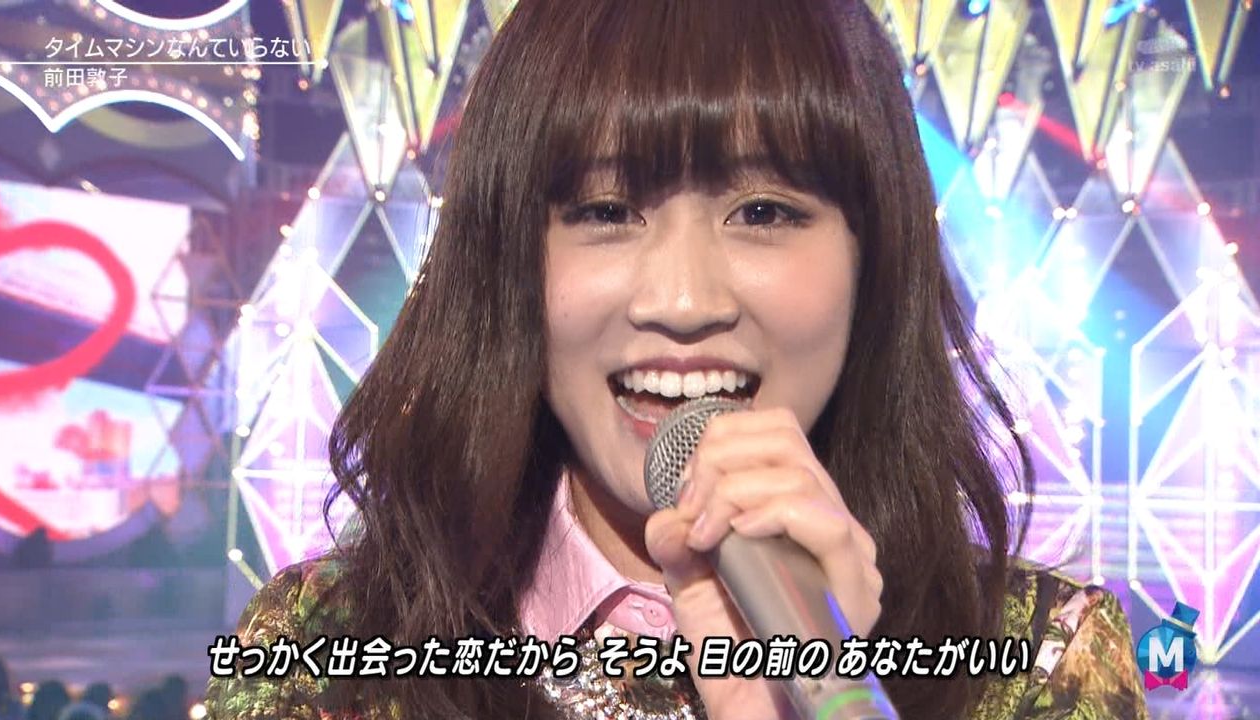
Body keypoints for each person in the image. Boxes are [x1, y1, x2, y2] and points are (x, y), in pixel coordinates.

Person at [205, 0, 1148, 718]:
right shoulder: (323, 658)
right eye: (607, 211)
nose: (686, 302)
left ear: (875, 258)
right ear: (508, 259)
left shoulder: (1041, 667)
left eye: (764, 212)